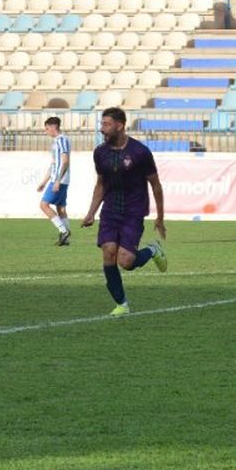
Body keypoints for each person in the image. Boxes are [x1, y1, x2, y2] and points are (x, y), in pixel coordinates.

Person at [80, 107, 167, 316]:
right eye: (102, 124)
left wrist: (160, 217)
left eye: (106, 124)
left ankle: (152, 250)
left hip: (133, 211)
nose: (102, 129)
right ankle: (122, 304)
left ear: (120, 126)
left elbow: (156, 185)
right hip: (110, 210)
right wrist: (91, 212)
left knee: (126, 261)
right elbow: (101, 184)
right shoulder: (100, 152)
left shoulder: (140, 152)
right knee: (109, 252)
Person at [37, 115, 71, 246]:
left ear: (53, 127)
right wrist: (44, 182)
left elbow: (65, 161)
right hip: (60, 179)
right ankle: (66, 238)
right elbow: (53, 164)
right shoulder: (57, 141)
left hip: (59, 179)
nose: (46, 131)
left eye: (47, 128)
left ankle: (63, 231)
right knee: (60, 208)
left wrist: (57, 180)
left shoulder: (61, 140)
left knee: (44, 205)